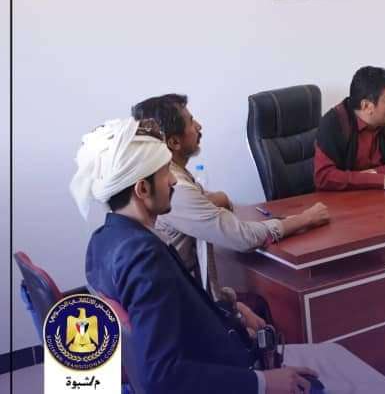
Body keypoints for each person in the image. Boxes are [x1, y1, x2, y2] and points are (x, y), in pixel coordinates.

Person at [74, 117, 319, 393]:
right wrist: (263, 383)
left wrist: (233, 311)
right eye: (165, 173)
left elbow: (177, 312)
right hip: (229, 376)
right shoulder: (144, 258)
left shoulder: (104, 240)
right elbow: (163, 375)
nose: (172, 181)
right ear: (142, 189)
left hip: (217, 357)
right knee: (338, 364)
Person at [132, 94, 329, 300]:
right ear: (174, 142)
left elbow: (204, 200)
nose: (199, 126)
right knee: (261, 304)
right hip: (187, 303)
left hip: (194, 295)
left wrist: (218, 200)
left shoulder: (169, 177)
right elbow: (244, 238)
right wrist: (305, 219)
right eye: (191, 122)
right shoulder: (177, 189)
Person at [314, 66, 385, 191]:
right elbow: (323, 177)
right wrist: (383, 180)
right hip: (345, 200)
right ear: (366, 106)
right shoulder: (334, 123)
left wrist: (376, 174)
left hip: (383, 198)